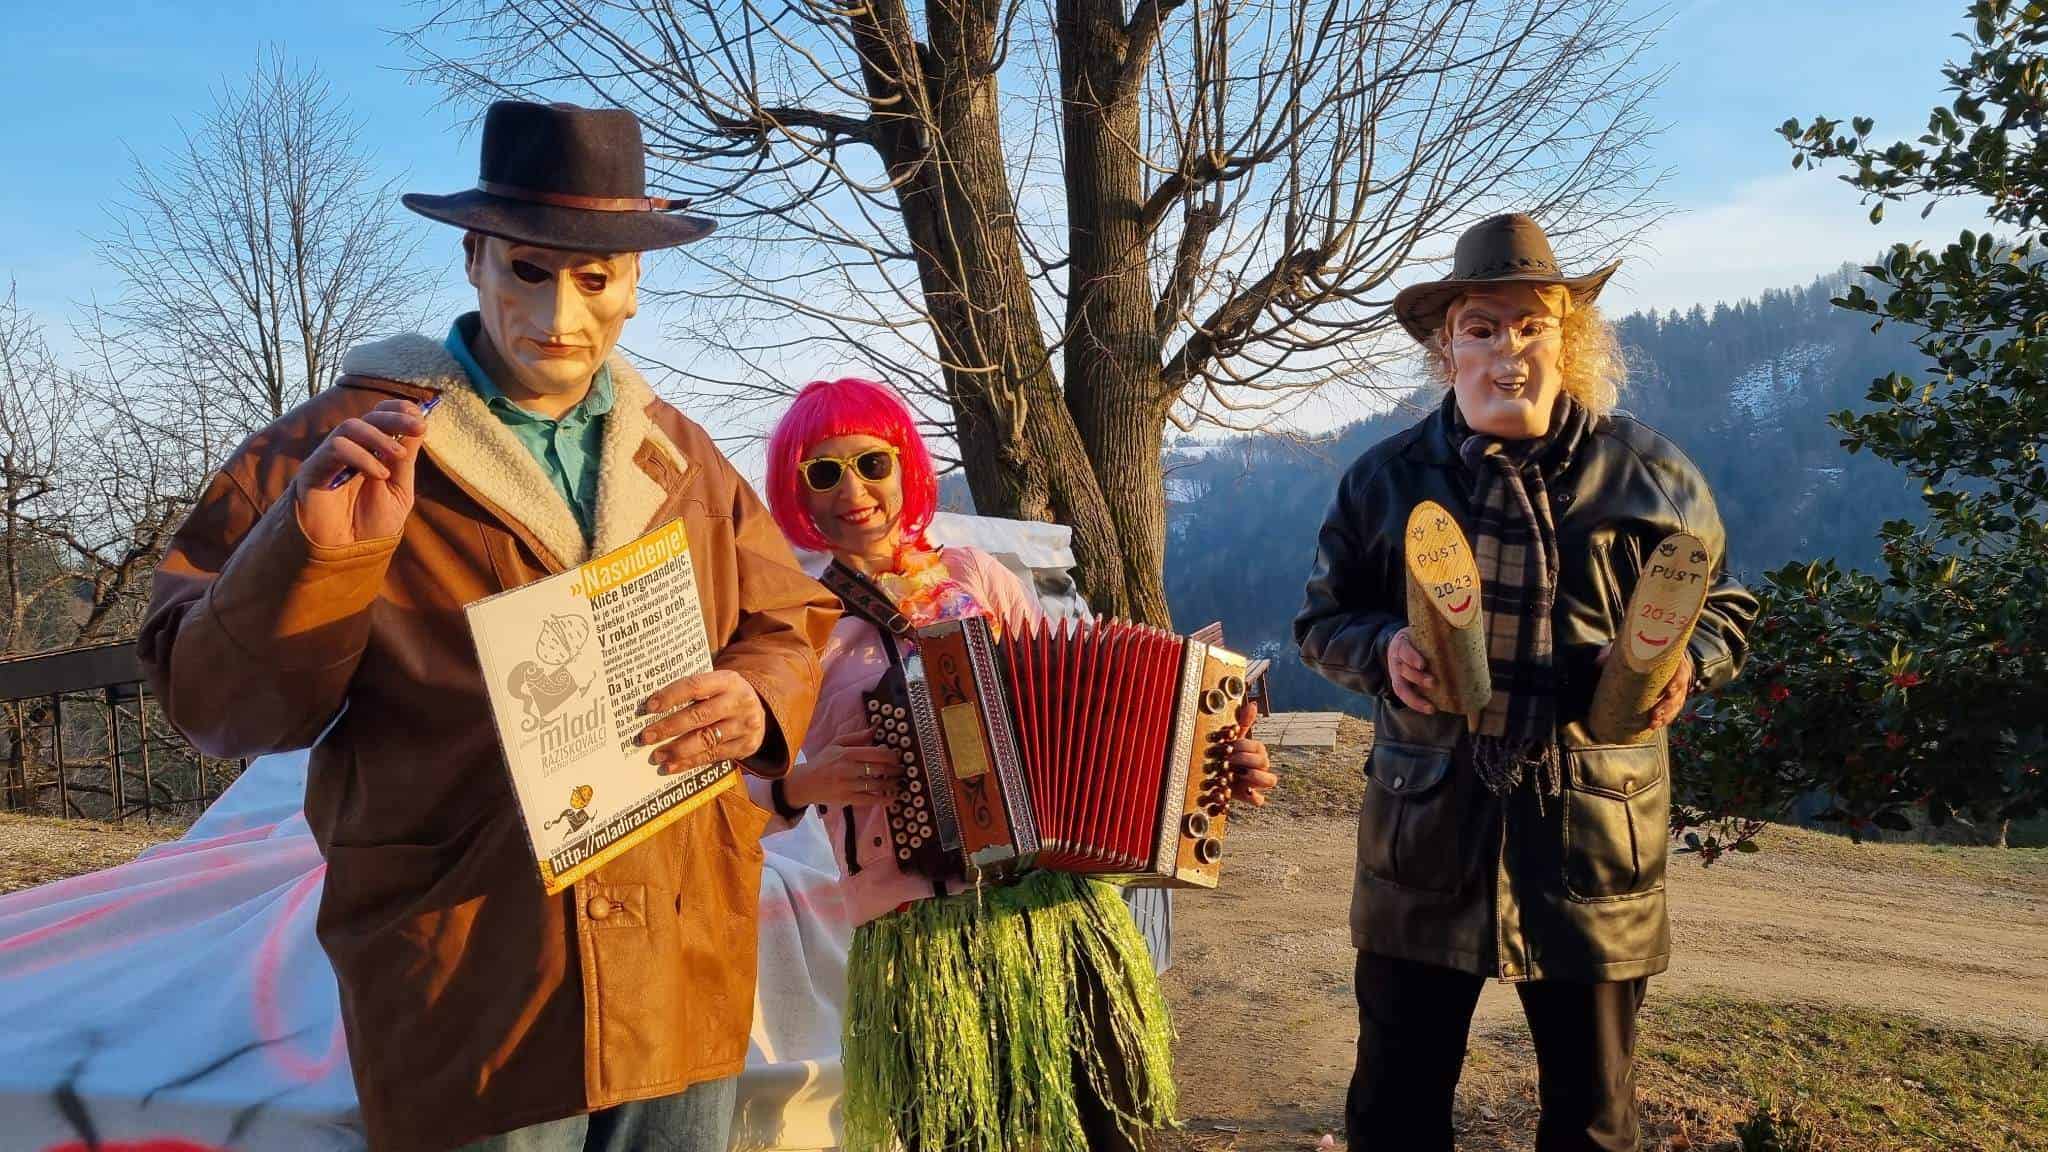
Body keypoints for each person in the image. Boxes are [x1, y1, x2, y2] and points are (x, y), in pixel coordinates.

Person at [140, 100, 840, 1152]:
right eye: (528, 268)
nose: (560, 311)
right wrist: (315, 552)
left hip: (678, 965)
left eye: (594, 278)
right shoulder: (333, 448)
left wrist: (754, 698)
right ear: (474, 260)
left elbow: (788, 617)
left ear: (634, 287)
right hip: (471, 976)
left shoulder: (682, 460)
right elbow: (216, 706)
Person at [1293, 214, 1759, 1151]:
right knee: (1394, 1107)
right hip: (1426, 826)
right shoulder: (1385, 482)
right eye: (1482, 328)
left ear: (1570, 341)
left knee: (1593, 1119)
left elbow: (1726, 605)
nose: (1509, 352)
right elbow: (1321, 622)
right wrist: (1381, 647)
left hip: (1593, 829)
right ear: (1446, 349)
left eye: (1533, 326)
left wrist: (1689, 666)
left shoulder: (1649, 475)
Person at [751, 376, 1277, 1152]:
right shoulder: (793, 618)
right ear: (797, 492)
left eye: (871, 463)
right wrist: (799, 785)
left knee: (1111, 1125)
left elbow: (1084, 708)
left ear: (905, 467)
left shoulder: (976, 577)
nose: (853, 491)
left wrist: (1212, 760)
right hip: (923, 933)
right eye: (822, 473)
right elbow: (726, 779)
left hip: (1058, 906)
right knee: (964, 1136)